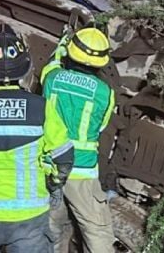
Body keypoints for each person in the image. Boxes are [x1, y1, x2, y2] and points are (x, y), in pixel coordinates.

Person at [0, 23, 74, 252]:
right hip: (29, 217)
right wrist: (54, 185)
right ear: (24, 65)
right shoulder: (41, 108)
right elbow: (64, 156)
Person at [42, 27, 116, 253]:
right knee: (97, 233)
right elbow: (101, 126)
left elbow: (52, 64)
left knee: (50, 231)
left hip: (50, 168)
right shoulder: (106, 93)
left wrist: (62, 46)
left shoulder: (51, 78)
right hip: (83, 173)